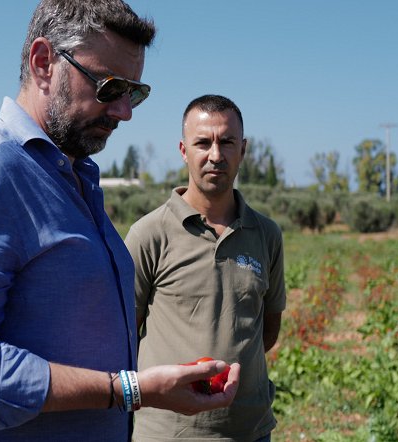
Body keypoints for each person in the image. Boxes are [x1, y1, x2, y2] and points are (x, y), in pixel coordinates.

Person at [0, 3, 239, 441]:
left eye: (134, 92)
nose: (124, 112)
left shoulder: (74, 177)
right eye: (110, 87)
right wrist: (127, 390)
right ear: (43, 63)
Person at [125, 94, 286, 442]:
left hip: (249, 430)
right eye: (203, 142)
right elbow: (123, 334)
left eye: (227, 142)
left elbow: (267, 330)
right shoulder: (149, 234)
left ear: (242, 149)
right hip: (167, 432)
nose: (216, 155)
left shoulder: (267, 234)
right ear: (184, 150)